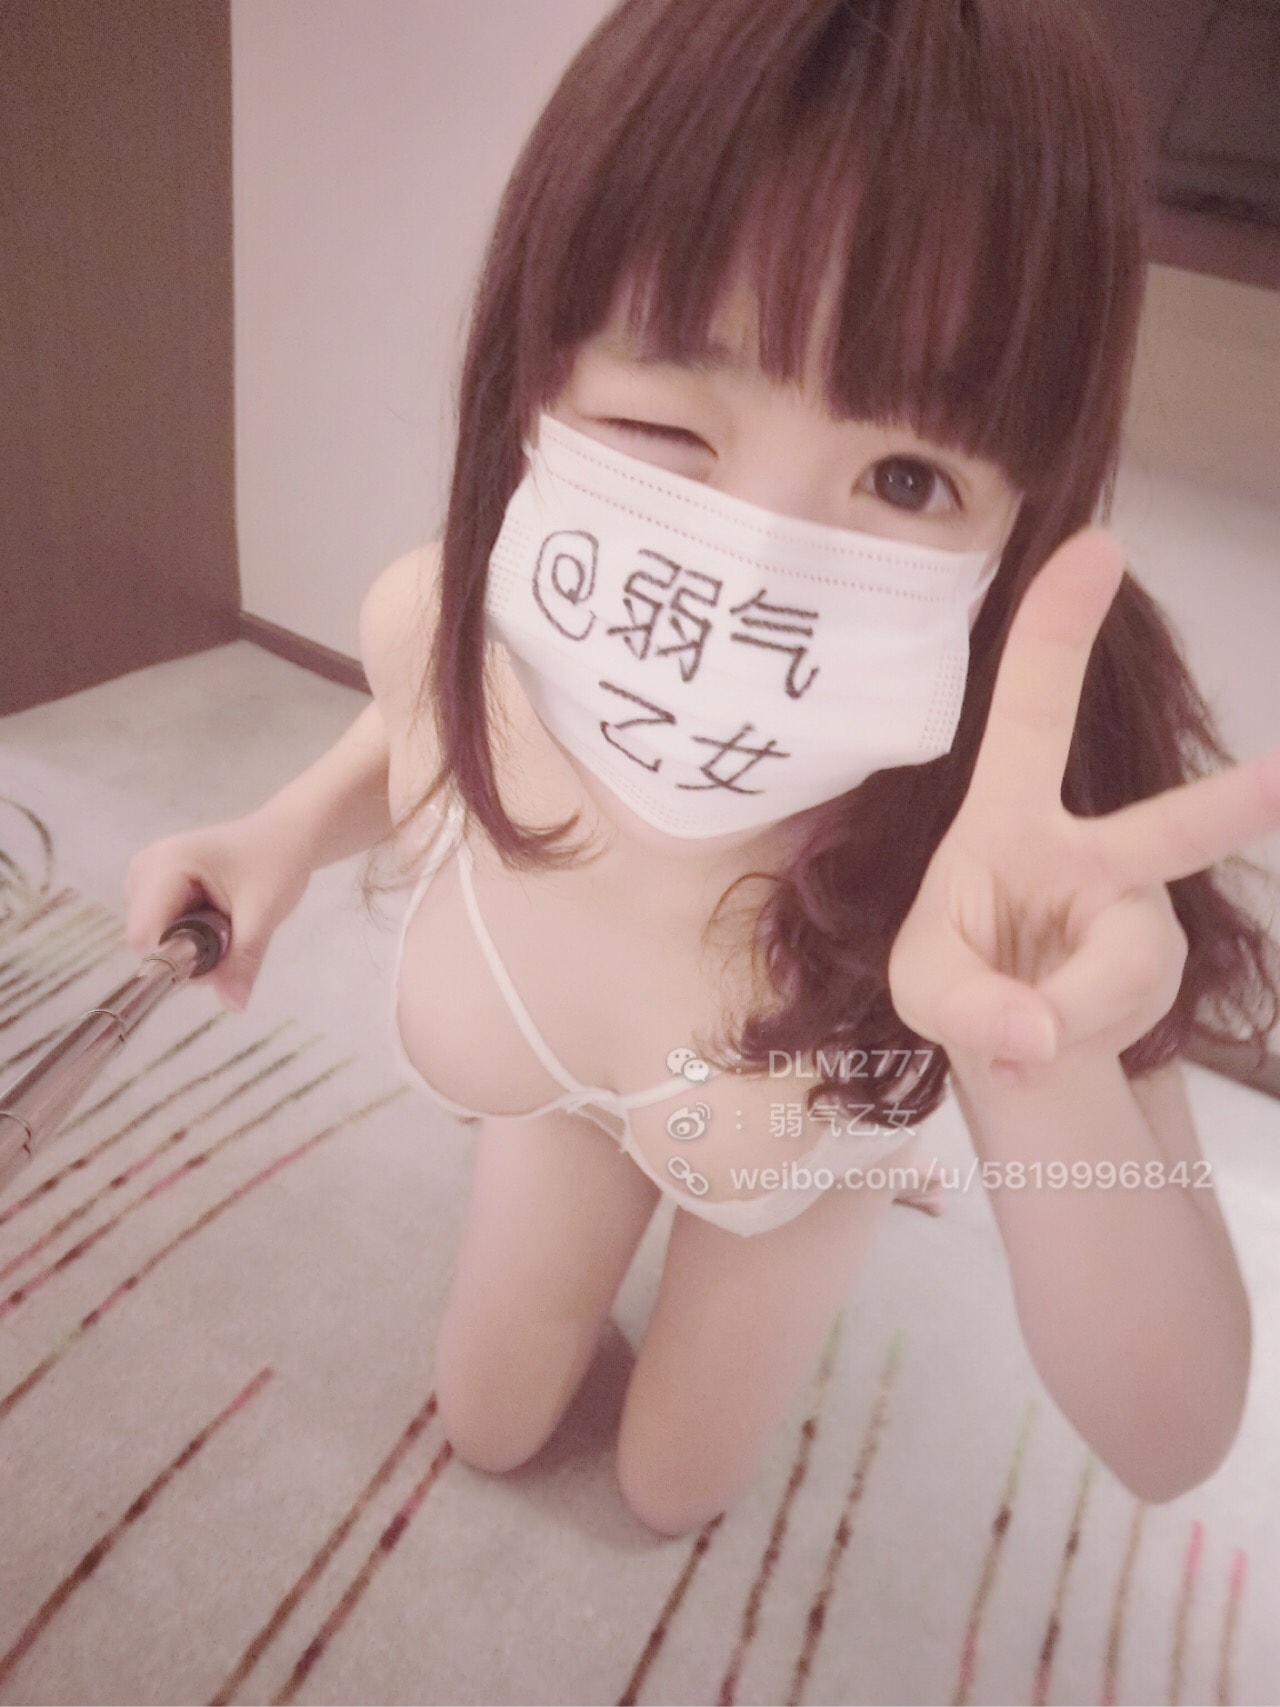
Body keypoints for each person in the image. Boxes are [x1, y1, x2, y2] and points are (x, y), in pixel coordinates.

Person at [125, 0, 1280, 1539]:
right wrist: (273, 834)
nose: (759, 553)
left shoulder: (1013, 837)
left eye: (908, 474)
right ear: (533, 374)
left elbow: (1175, 1429)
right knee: (486, 1419)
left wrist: (1046, 1076)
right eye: (672, 422)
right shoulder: (472, 606)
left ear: (1025, 515)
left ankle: (859, 1192)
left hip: (788, 1156)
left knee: (673, 1488)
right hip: (560, 1081)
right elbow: (424, 704)